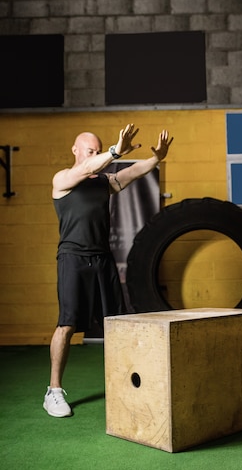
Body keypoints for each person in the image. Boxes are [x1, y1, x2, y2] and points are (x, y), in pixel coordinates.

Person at [43, 123, 173, 418]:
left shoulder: (104, 182)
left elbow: (132, 172)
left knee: (116, 324)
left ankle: (127, 386)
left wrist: (157, 158)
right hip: (73, 258)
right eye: (90, 150)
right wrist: (114, 151)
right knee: (66, 324)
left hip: (103, 259)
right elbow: (85, 169)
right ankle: (53, 391)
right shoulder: (63, 179)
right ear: (76, 151)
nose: (95, 155)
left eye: (98, 151)